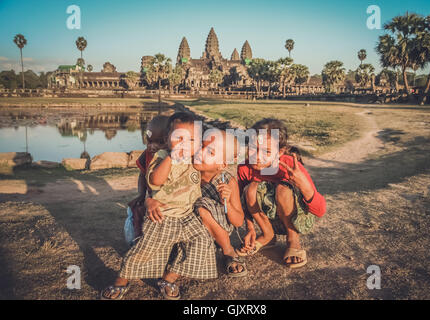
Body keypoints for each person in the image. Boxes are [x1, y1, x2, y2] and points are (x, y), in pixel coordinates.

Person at [101, 112, 217, 300]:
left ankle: (168, 279)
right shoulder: (162, 156)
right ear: (167, 139)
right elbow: (155, 180)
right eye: (179, 138)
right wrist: (171, 157)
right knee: (145, 250)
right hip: (163, 215)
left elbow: (212, 167)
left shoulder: (197, 159)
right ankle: (121, 280)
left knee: (203, 241)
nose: (185, 143)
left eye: (192, 139)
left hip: (187, 216)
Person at [236, 118, 326, 268]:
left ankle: (293, 239)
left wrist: (303, 185)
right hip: (270, 218)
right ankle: (267, 235)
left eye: (267, 151)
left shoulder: (290, 165)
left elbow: (320, 210)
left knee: (283, 189)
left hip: (298, 218)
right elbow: (242, 203)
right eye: (253, 148)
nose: (257, 156)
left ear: (281, 152)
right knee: (250, 189)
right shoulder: (244, 168)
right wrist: (250, 229)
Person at [193, 129, 246, 277]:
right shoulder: (188, 172)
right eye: (200, 146)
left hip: (219, 224)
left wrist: (227, 202)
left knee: (202, 207)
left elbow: (238, 221)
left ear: (222, 164)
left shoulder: (228, 181)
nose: (200, 152)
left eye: (210, 152)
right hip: (193, 227)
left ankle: (227, 249)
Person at [127, 115, 169, 242]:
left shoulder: (171, 158)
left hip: (168, 199)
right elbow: (142, 174)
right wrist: (141, 194)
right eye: (149, 142)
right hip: (151, 197)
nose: (153, 146)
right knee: (137, 209)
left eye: (160, 142)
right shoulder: (147, 154)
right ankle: (139, 237)